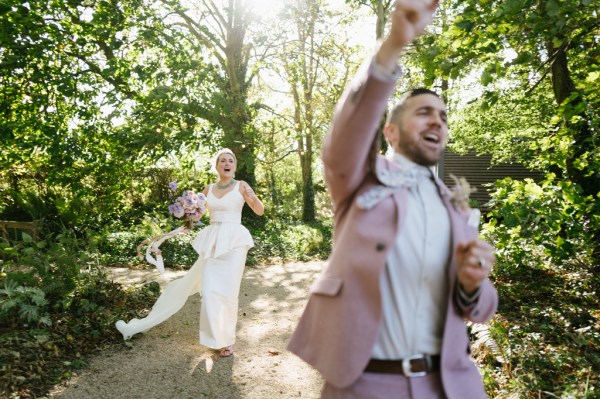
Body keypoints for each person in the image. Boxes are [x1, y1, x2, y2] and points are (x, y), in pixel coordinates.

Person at [287, 1, 498, 398]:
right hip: (365, 385)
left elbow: (482, 308)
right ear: (390, 132)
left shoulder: (459, 209)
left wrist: (473, 283)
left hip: (451, 386)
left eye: (443, 116)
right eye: (423, 112)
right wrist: (393, 45)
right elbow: (345, 138)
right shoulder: (360, 181)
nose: (437, 120)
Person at [116, 148, 264, 358]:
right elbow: (195, 218)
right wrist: (185, 209)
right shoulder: (208, 189)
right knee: (210, 291)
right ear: (217, 166)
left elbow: (259, 211)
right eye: (222, 160)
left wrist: (253, 198)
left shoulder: (242, 186)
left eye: (230, 160)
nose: (227, 163)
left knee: (228, 292)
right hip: (212, 240)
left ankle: (227, 340)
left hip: (234, 242)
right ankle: (216, 339)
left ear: (235, 165)